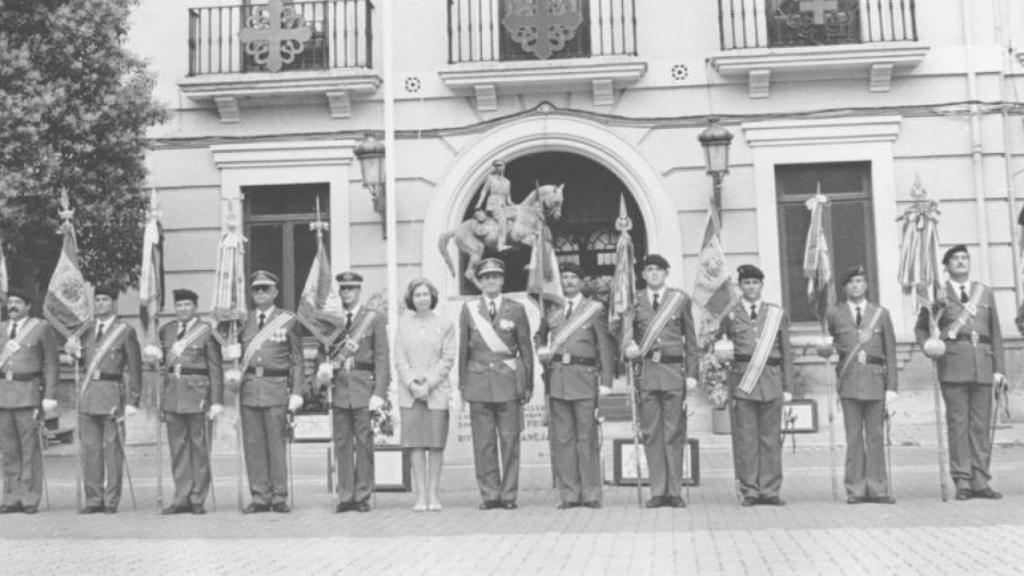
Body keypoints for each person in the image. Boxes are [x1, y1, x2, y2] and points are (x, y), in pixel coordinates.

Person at [914, 244, 1005, 500]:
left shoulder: (984, 293)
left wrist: (1000, 369)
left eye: (965, 257)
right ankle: (963, 480)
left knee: (980, 425)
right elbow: (921, 328)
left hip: (983, 365)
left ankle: (980, 479)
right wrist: (928, 346)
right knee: (958, 425)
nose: (961, 262)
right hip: (953, 365)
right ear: (947, 265)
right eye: (956, 258)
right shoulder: (938, 294)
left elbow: (996, 333)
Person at [535, 262, 614, 509]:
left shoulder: (594, 309)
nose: (568, 281)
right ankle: (569, 494)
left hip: (585, 378)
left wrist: (607, 381)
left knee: (587, 439)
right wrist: (541, 348)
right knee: (563, 440)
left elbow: (605, 346)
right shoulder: (552, 308)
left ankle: (591, 493)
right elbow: (539, 334)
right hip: (558, 379)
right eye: (565, 277)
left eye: (573, 277)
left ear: (581, 282)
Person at [459, 258, 533, 510]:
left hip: (508, 382)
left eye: (495, 276)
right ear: (479, 281)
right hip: (478, 380)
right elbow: (463, 351)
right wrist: (462, 385)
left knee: (510, 441)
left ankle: (509, 494)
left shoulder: (516, 309)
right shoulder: (469, 310)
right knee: (483, 443)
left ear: (502, 280)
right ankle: (490, 494)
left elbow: (526, 349)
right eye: (486, 277)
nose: (490, 281)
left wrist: (528, 384)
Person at [624, 253, 697, 509]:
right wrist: (627, 347)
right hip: (646, 373)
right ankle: (658, 490)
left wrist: (692, 375)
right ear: (643, 275)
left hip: (673, 371)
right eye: (649, 270)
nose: (654, 274)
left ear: (666, 274)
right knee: (652, 434)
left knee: (674, 434)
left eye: (659, 270)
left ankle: (674, 490)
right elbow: (626, 333)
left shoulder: (679, 300)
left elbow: (691, 340)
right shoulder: (634, 301)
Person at [718, 264, 794, 507]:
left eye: (755, 283)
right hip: (742, 383)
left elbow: (786, 353)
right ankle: (750, 489)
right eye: (746, 283)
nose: (751, 287)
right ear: (740, 287)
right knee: (746, 440)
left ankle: (770, 489)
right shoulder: (730, 315)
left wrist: (788, 386)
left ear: (762, 285)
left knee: (770, 439)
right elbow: (721, 346)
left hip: (771, 381)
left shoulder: (776, 314)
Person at [827, 265, 897, 505]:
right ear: (845, 288)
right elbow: (832, 345)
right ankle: (855, 488)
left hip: (876, 381)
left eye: (859, 281)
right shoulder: (835, 314)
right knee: (854, 437)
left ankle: (878, 487)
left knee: (876, 436)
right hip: (849, 382)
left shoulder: (881, 313)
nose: (856, 285)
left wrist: (892, 388)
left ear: (866, 285)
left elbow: (891, 352)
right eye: (851, 282)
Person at [321, 271, 390, 513]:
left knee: (363, 444)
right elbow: (326, 352)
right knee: (342, 444)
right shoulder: (332, 319)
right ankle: (345, 495)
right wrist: (324, 368)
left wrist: (379, 392)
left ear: (359, 290)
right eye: (343, 289)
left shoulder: (373, 318)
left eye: (351, 288)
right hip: (340, 388)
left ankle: (362, 495)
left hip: (364, 387)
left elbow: (382, 357)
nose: (347, 293)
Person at [237, 270, 305, 514]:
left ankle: (278, 496)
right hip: (249, 390)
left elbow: (297, 359)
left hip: (276, 389)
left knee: (276, 446)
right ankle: (259, 496)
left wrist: (297, 391)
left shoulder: (288, 320)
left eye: (266, 288)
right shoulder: (242, 321)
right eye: (256, 289)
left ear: (275, 292)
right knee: (253, 445)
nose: (261, 293)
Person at [75, 286, 143, 514]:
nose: (100, 303)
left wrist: (134, 399)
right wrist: (72, 352)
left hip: (112, 395)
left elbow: (135, 368)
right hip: (88, 394)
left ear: (114, 303)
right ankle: (94, 499)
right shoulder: (86, 330)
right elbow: (82, 359)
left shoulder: (124, 331)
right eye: (98, 299)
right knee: (90, 450)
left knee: (112, 450)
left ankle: (111, 500)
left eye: (105, 299)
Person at [156, 289, 224, 515]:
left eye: (187, 305)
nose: (182, 309)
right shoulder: (166, 331)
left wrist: (216, 401)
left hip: (198, 396)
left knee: (199, 449)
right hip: (173, 396)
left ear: (195, 307)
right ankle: (180, 497)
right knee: (178, 449)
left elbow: (215, 368)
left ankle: (197, 498)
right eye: (179, 305)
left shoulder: (207, 332)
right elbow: (161, 367)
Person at [395, 278, 456, 512]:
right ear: (411, 298)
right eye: (418, 294)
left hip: (436, 389)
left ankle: (433, 493)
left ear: (433, 297)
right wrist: (412, 383)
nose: (422, 298)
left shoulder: (445, 323)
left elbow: (448, 358)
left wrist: (428, 383)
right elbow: (399, 358)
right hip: (410, 392)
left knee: (435, 443)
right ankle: (420, 494)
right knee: (416, 443)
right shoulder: (403, 324)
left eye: (426, 294)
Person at [0, 289, 59, 514]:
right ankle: (10, 496)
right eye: (10, 302)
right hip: (3, 395)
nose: (12, 306)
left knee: (29, 449)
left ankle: (29, 498)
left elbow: (51, 363)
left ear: (28, 306)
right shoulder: (1, 328)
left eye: (18, 302)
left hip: (28, 394)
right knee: (8, 450)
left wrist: (50, 395)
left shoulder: (40, 328)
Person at [474, 160, 512, 251]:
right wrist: (479, 203)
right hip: (493, 203)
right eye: (497, 166)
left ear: (504, 167)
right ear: (494, 168)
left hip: (503, 205)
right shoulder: (490, 178)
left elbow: (508, 197)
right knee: (502, 220)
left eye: (501, 165)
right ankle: (500, 244)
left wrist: (512, 204)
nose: (499, 167)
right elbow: (484, 191)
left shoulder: (507, 182)